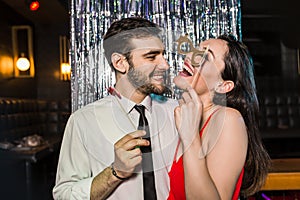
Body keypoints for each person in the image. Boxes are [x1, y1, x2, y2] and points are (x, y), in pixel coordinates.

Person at [53, 17, 179, 199]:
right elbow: (64, 194)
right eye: (151, 56)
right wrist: (115, 172)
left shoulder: (176, 112)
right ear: (120, 63)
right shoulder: (83, 120)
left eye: (163, 55)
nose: (165, 65)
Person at [168, 34, 270, 199]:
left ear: (223, 86)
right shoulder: (186, 118)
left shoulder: (228, 120)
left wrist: (191, 138)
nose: (190, 56)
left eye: (206, 57)